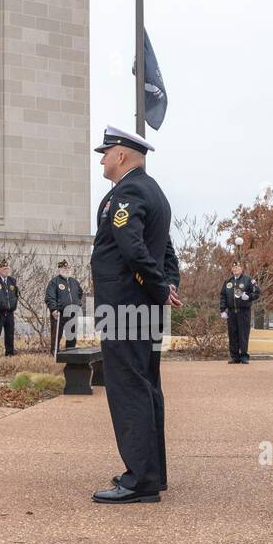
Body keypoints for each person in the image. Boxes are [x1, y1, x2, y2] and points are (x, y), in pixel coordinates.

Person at [89, 125, 180, 504]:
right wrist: (168, 285)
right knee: (145, 386)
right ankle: (150, 472)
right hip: (142, 306)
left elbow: (132, 247)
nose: (102, 160)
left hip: (124, 305)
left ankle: (139, 481)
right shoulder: (153, 191)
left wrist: (160, 287)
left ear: (122, 155)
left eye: (106, 153)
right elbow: (167, 250)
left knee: (128, 389)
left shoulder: (127, 193)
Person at [219, 260, 260, 363]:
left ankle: (244, 356)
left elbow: (257, 292)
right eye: (233, 268)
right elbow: (223, 296)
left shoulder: (248, 280)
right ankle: (234, 356)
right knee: (233, 334)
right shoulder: (228, 281)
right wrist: (223, 310)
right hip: (231, 312)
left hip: (244, 312)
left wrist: (249, 297)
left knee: (243, 334)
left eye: (237, 268)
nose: (235, 270)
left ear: (241, 269)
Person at [46, 259, 85, 354]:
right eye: (64, 268)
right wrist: (54, 309)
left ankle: (70, 354)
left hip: (72, 313)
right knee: (56, 335)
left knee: (71, 335)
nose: (67, 269)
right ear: (60, 269)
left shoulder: (74, 282)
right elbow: (50, 297)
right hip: (59, 313)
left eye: (68, 267)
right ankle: (54, 354)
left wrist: (78, 303)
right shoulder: (54, 282)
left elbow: (80, 293)